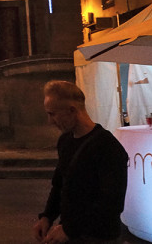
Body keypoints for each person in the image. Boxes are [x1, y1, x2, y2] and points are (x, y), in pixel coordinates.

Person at [33, 80, 127, 244]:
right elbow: (60, 184)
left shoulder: (108, 146)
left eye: (52, 114)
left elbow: (112, 203)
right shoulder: (65, 141)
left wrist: (70, 229)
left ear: (71, 110)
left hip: (100, 238)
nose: (50, 121)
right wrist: (47, 216)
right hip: (72, 234)